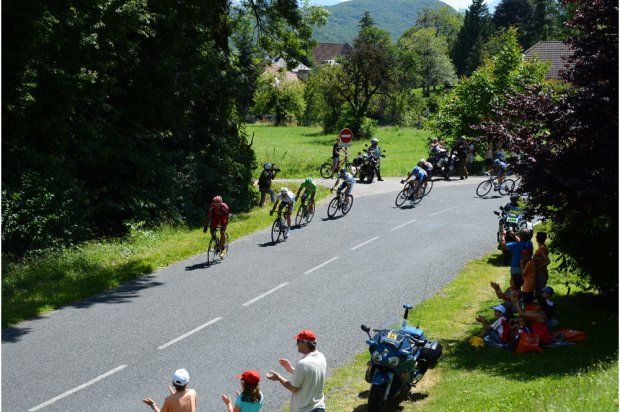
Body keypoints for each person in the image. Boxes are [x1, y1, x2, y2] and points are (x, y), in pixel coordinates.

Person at [266, 329, 326, 412]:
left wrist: (278, 377)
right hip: (319, 407)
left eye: (298, 341)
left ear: (304, 343)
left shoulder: (303, 363)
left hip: (306, 409)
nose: (296, 344)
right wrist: (290, 369)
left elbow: (293, 388)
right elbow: (309, 375)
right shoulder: (321, 356)